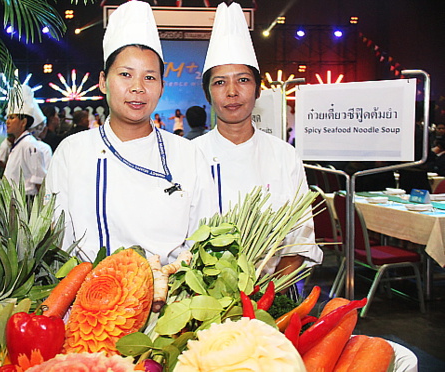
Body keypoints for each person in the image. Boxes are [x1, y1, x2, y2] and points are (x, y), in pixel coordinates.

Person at [45, 1, 217, 263]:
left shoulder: (186, 154)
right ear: (103, 82)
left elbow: (203, 238)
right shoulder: (72, 152)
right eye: (125, 74)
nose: (137, 87)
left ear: (161, 87)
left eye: (149, 77)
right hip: (88, 295)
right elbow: (57, 240)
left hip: (170, 293)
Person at [193, 2, 322, 278]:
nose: (231, 92)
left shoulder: (284, 155)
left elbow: (299, 242)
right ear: (207, 95)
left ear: (258, 90)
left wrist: (269, 300)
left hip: (271, 297)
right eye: (219, 83)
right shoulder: (189, 156)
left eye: (242, 80)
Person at [3, 84, 47, 196]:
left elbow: (39, 180)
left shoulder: (29, 145)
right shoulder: (19, 143)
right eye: (7, 117)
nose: (7, 121)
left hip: (26, 201)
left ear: (23, 122)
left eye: (12, 118)